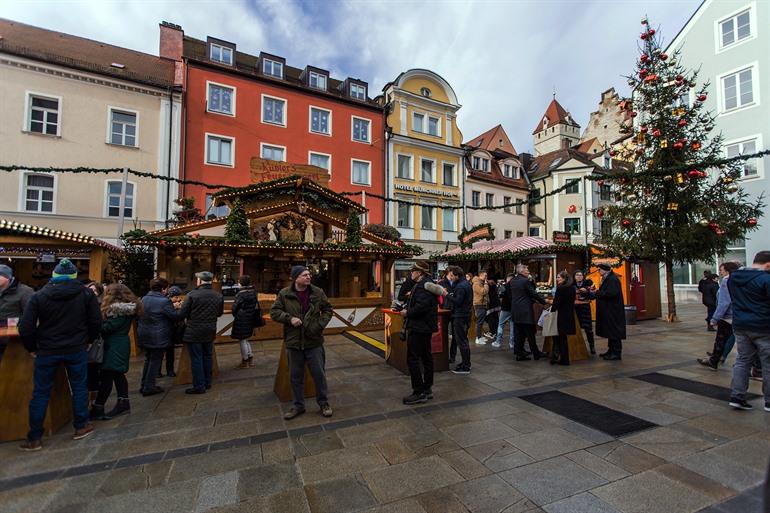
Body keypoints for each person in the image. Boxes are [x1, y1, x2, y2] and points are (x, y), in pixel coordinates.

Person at [18, 258, 101, 450]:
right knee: (79, 387)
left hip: (47, 349)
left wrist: (31, 347)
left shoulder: (39, 296)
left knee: (40, 392)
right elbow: (95, 321)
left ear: (54, 275)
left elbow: (26, 326)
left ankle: (34, 436)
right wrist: (89, 340)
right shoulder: (85, 294)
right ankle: (81, 426)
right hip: (76, 347)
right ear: (74, 276)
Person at [270, 265, 334, 419]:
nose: (308, 277)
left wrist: (318, 325)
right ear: (295, 277)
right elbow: (274, 312)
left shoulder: (317, 292)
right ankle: (298, 406)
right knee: (295, 376)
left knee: (319, 374)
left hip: (314, 341)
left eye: (309, 274)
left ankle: (324, 403)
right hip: (293, 342)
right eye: (305, 275)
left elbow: (328, 310)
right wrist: (289, 318)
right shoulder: (285, 294)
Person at [91, 284, 142, 419]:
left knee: (107, 376)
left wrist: (94, 323)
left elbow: (108, 328)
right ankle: (123, 403)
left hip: (114, 346)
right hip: (118, 344)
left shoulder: (118, 310)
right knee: (117, 375)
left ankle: (99, 406)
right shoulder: (124, 309)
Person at [727, 251, 770, 411]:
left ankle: (737, 397)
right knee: (768, 364)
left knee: (742, 360)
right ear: (768, 264)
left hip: (740, 325)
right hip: (763, 327)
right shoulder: (766, 279)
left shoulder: (733, 277)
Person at [179, 271, 224, 394]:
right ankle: (207, 382)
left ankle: (199, 386)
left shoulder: (192, 295)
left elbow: (182, 314)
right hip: (210, 329)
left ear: (199, 281)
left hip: (194, 330)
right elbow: (219, 313)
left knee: (197, 358)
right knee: (207, 356)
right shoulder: (218, 295)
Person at [401, 261, 438, 405]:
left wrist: (407, 312)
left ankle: (419, 392)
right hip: (424, 327)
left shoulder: (424, 286)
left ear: (420, 272)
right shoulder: (425, 284)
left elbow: (421, 307)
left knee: (413, 358)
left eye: (413, 271)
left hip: (420, 327)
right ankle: (427, 388)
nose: (411, 273)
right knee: (426, 357)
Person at [137, 278, 181, 396]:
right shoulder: (164, 301)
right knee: (155, 361)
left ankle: (144, 384)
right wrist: (176, 308)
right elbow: (175, 317)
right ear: (163, 289)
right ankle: (149, 387)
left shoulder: (144, 299)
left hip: (144, 333)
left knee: (148, 359)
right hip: (158, 335)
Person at [697, 262, 739, 370]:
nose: (720, 272)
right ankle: (716, 359)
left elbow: (724, 302)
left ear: (727, 271)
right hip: (738, 315)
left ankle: (715, 360)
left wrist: (715, 318)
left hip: (728, 316)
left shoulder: (726, 281)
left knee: (721, 340)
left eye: (721, 270)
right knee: (737, 339)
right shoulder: (739, 280)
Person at [587, 263, 625, 361]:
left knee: (614, 331)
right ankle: (610, 350)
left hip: (613, 310)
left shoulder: (613, 279)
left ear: (605, 270)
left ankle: (616, 353)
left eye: (599, 270)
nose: (598, 272)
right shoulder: (607, 278)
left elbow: (611, 293)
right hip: (608, 310)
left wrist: (597, 292)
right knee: (610, 331)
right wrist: (596, 291)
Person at [509, 264, 547, 361]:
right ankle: (536, 353)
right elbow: (533, 293)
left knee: (519, 333)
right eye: (527, 270)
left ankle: (519, 354)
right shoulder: (525, 281)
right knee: (530, 333)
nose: (528, 271)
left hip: (516, 310)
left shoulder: (513, 280)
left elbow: (514, 295)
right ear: (521, 272)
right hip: (525, 311)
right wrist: (544, 302)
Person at [442, 266, 472, 374]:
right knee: (463, 340)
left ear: (456, 275)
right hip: (465, 315)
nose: (451, 278)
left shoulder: (460, 286)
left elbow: (458, 301)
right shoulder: (465, 283)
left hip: (460, 316)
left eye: (452, 275)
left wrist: (446, 295)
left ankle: (466, 366)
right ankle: (465, 363)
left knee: (462, 341)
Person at [0, 264, 33, 361]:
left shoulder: (25, 292)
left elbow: (31, 316)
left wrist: (13, 329)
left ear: (8, 277)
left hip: (14, 341)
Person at [231, 275, 260, 369]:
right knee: (246, 339)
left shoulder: (240, 294)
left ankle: (245, 361)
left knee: (242, 340)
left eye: (239, 282)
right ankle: (250, 358)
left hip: (241, 318)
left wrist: (235, 313)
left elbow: (235, 308)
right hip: (250, 317)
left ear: (241, 283)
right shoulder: (253, 292)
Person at [549, 271, 576, 365]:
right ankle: (564, 358)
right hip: (569, 315)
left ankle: (564, 359)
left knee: (561, 338)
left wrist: (551, 312)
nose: (557, 279)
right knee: (563, 338)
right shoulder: (572, 288)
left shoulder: (561, 289)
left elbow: (556, 303)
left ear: (564, 278)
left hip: (561, 316)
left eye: (559, 277)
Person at [84, 281, 104, 406]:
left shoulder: (101, 306)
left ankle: (93, 400)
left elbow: (98, 325)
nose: (92, 292)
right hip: (84, 343)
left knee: (93, 371)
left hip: (94, 343)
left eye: (95, 290)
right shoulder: (81, 304)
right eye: (90, 289)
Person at [162, 286, 184, 377]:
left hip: (170, 331)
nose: (178, 299)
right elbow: (174, 316)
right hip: (165, 330)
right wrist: (175, 308)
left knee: (170, 353)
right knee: (162, 353)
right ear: (171, 296)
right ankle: (159, 372)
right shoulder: (165, 303)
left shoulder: (169, 302)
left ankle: (170, 371)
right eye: (176, 297)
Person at [573, 270, 596, 355]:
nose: (579, 276)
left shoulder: (589, 284)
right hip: (575, 309)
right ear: (574, 277)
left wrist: (587, 291)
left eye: (580, 275)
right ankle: (576, 347)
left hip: (585, 309)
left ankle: (592, 346)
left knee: (588, 329)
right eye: (577, 275)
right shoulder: (571, 285)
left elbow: (594, 296)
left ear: (583, 276)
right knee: (575, 329)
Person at [493, 274, 516, 349]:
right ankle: (512, 343)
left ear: (508, 279)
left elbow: (500, 295)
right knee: (512, 326)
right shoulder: (516, 286)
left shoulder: (504, 286)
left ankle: (498, 341)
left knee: (501, 325)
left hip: (505, 308)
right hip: (513, 308)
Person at [471, 270, 490, 345]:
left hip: (482, 304)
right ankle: (478, 338)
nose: (486, 277)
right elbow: (483, 292)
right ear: (480, 275)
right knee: (479, 322)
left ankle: (480, 336)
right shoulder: (476, 283)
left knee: (481, 322)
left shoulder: (480, 282)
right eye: (485, 275)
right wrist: (486, 284)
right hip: (479, 304)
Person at [486, 277, 501, 342]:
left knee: (490, 319)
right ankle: (495, 332)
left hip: (491, 304)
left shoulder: (488, 287)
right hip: (497, 304)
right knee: (496, 318)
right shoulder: (494, 286)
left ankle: (492, 332)